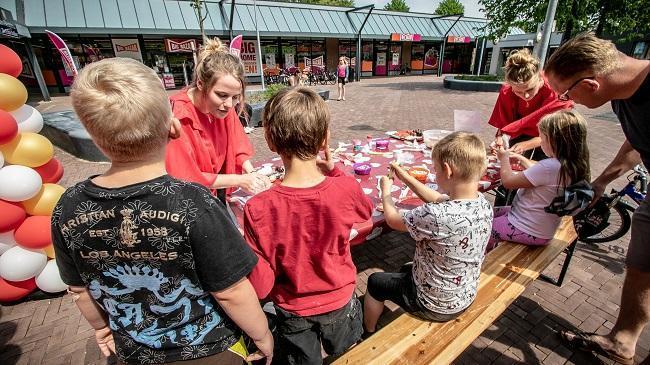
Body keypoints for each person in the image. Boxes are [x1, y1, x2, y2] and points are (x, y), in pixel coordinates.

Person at [53, 58, 273, 365]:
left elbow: (78, 289)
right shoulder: (193, 201)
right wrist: (262, 334)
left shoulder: (67, 206)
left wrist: (102, 328)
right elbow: (232, 290)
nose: (229, 105)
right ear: (172, 127)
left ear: (92, 134)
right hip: (206, 347)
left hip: (134, 348)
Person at [243, 87, 374, 364]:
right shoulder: (345, 188)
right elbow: (366, 213)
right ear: (325, 139)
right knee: (347, 353)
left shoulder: (257, 208)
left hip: (293, 307)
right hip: (340, 298)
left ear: (269, 139)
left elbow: (261, 280)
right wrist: (335, 171)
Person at [545, 33, 650, 365]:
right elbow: (637, 141)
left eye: (565, 92)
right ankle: (622, 341)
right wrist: (603, 181)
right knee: (640, 264)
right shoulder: (622, 93)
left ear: (590, 84)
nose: (567, 101)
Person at [363, 132, 493, 335]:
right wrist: (405, 178)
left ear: (448, 171)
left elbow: (392, 221)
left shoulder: (435, 215)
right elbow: (438, 199)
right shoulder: (482, 204)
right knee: (405, 268)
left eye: (435, 169)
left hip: (432, 304)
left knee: (375, 282)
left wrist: (385, 192)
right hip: (463, 294)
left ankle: (368, 331)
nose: (434, 174)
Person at [165, 37, 270, 205]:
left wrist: (252, 172)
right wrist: (241, 180)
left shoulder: (223, 107)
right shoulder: (180, 116)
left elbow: (237, 147)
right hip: (189, 201)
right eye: (221, 95)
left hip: (215, 194)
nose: (229, 105)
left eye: (236, 97)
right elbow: (186, 177)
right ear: (200, 84)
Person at [488, 110, 591, 251]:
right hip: (540, 227)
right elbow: (542, 175)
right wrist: (522, 159)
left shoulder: (548, 167)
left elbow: (508, 182)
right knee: (488, 212)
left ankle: (482, 259)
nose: (540, 142)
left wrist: (504, 158)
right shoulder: (571, 165)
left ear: (554, 141)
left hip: (526, 228)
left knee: (480, 227)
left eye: (542, 139)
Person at [489, 49, 573, 206]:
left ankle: (528, 210)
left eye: (529, 89)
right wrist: (500, 139)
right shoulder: (507, 91)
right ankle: (502, 209)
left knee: (538, 177)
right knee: (509, 170)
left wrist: (526, 144)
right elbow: (504, 124)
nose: (525, 96)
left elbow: (555, 131)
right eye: (518, 92)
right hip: (520, 135)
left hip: (549, 138)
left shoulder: (554, 91)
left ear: (540, 79)